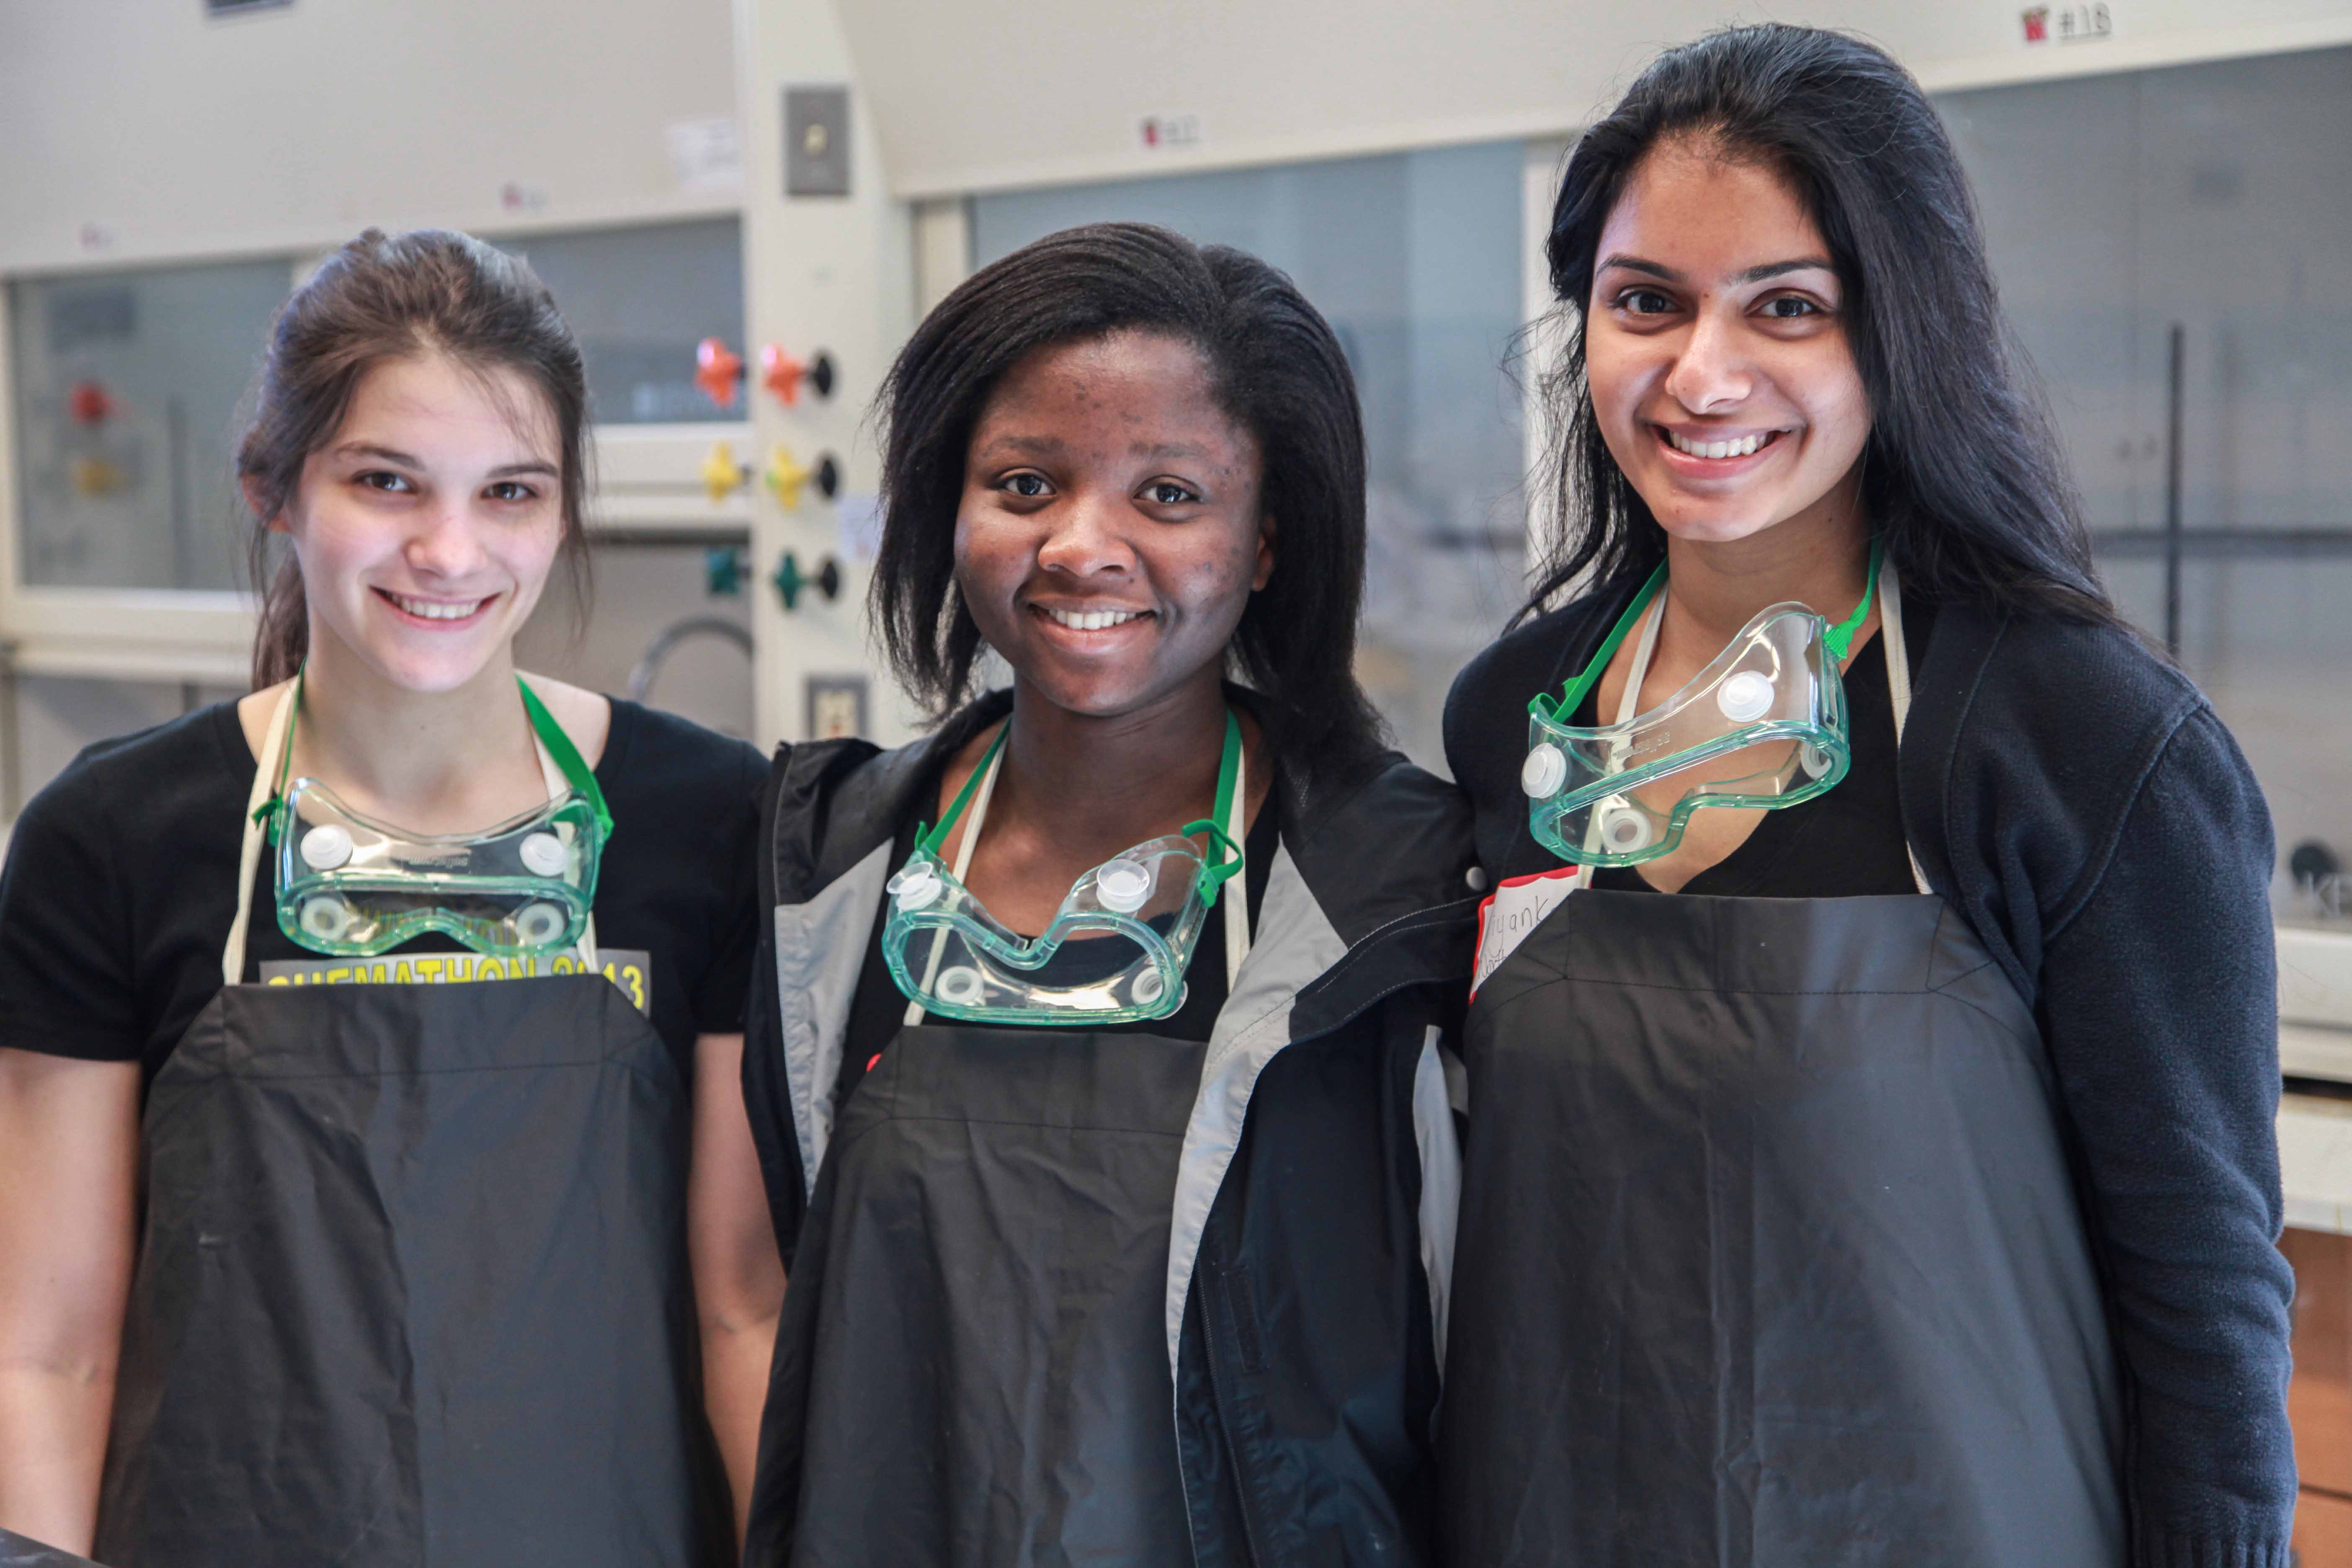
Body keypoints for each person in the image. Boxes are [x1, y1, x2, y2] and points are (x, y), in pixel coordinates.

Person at [1438, 26, 2292, 1566]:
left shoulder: (2074, 731)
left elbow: (2206, 1290)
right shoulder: (1518, 718)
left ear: (1901, 334)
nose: (1704, 373)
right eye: (1647, 304)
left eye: (1789, 307)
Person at [0, 229, 784, 1565]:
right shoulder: (115, 837)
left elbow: (742, 1316)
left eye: (513, 494)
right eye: (387, 482)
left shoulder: (710, 821)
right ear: (275, 488)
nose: (449, 549)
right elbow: (46, 1351)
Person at [736, 222, 1474, 1565]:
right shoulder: (833, 872)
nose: (1083, 546)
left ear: (1264, 544)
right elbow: (762, 1305)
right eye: (1025, 483)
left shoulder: (1399, 894)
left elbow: (1475, 1368)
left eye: (1171, 496)